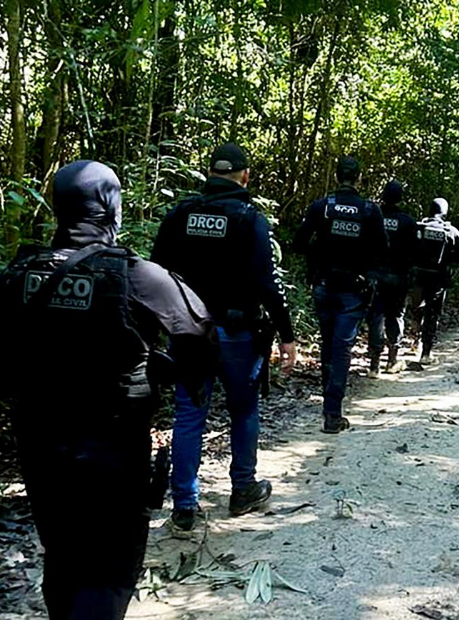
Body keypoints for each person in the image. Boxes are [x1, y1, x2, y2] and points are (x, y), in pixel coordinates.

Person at [0, 161, 217, 620]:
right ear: (109, 207)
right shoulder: (133, 275)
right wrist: (174, 376)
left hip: (39, 443)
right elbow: (197, 331)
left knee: (62, 554)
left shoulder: (20, 272)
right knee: (109, 570)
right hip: (112, 448)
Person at [151, 142, 296, 534]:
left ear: (208, 174)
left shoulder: (180, 214)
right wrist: (287, 336)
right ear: (245, 176)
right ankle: (243, 488)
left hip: (187, 334)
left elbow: (155, 275)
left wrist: (158, 328)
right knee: (244, 411)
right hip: (238, 334)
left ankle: (184, 506)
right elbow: (267, 283)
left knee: (188, 414)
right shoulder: (250, 219)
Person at [294, 155, 388, 434]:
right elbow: (382, 251)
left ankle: (329, 406)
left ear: (336, 177)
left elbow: (299, 243)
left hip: (324, 285)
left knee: (328, 345)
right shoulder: (370, 211)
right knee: (341, 348)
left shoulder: (321, 207)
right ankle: (332, 413)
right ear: (358, 179)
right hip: (353, 290)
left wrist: (319, 254)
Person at [409, 197, 459, 363]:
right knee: (432, 314)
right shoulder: (449, 230)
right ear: (444, 212)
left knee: (416, 309)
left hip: (418, 276)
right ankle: (426, 353)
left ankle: (413, 343)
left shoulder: (418, 226)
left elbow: (406, 246)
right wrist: (449, 258)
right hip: (438, 277)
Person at [367, 180, 418, 377]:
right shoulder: (407, 221)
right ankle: (392, 360)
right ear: (400, 198)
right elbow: (415, 252)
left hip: (374, 277)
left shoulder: (372, 215)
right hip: (398, 278)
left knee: (376, 316)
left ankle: (373, 365)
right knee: (395, 317)